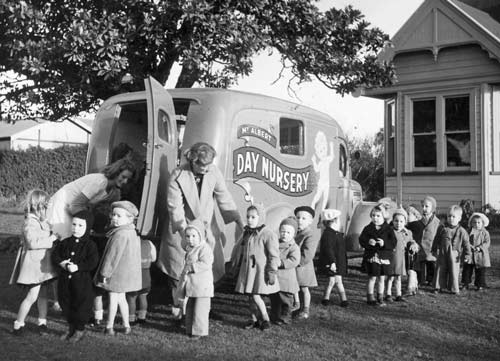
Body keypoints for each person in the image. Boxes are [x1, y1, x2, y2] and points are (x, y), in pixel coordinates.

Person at [157, 142, 243, 318]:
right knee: (179, 271)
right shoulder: (178, 175)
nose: (206, 169)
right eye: (202, 165)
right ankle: (181, 312)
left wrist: (238, 220)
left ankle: (204, 309)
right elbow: (175, 207)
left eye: (209, 165)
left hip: (206, 227)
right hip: (183, 228)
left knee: (208, 268)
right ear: (193, 161)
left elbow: (224, 197)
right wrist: (186, 234)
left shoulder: (214, 171)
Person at [46, 158, 136, 239]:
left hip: (71, 208)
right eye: (123, 177)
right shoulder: (100, 181)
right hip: (61, 206)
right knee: (62, 238)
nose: (125, 181)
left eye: (128, 179)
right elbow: (75, 205)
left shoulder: (113, 191)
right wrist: (88, 226)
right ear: (116, 172)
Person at [10, 189, 59, 335]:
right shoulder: (30, 222)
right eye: (45, 207)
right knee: (32, 296)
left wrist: (53, 233)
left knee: (43, 294)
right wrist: (51, 239)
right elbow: (32, 243)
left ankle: (42, 322)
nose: (46, 209)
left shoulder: (40, 221)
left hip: (42, 264)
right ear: (38, 206)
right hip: (34, 265)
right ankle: (18, 325)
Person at [94, 201, 142, 335]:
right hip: (126, 275)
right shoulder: (132, 232)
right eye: (113, 215)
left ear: (129, 218)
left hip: (116, 275)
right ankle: (126, 325)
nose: (114, 218)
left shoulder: (119, 234)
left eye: (118, 216)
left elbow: (112, 257)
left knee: (113, 299)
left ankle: (109, 326)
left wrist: (105, 273)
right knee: (122, 299)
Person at [52, 210, 99, 342]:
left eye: (80, 226)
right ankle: (70, 327)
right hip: (65, 281)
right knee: (66, 302)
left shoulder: (90, 245)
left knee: (80, 305)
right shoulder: (65, 242)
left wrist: (78, 267)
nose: (76, 228)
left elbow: (93, 261)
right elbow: (55, 255)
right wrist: (62, 264)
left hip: (81, 282)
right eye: (74, 224)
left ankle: (79, 329)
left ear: (88, 227)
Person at [231, 204, 280, 330]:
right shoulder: (247, 233)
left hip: (259, 271)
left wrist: (272, 271)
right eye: (248, 217)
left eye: (253, 217)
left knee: (256, 296)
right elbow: (241, 250)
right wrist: (235, 264)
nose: (249, 220)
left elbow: (274, 255)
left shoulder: (267, 234)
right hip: (248, 270)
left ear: (261, 217)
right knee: (250, 297)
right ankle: (254, 319)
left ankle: (265, 319)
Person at [175, 220, 214, 338]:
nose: (190, 239)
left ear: (200, 236)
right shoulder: (190, 248)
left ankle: (199, 331)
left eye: (193, 236)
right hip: (193, 285)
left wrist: (192, 267)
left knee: (200, 310)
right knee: (190, 307)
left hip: (202, 286)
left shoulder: (204, 248)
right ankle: (189, 328)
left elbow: (206, 263)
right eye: (187, 236)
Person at [359, 205, 396, 306]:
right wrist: (368, 242)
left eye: (378, 216)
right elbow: (361, 240)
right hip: (372, 257)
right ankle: (370, 297)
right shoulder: (367, 228)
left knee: (381, 278)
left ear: (384, 217)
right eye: (373, 215)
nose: (375, 218)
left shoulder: (388, 229)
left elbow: (393, 242)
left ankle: (380, 297)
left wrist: (384, 243)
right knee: (372, 277)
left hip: (384, 257)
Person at [431, 205, 471, 295]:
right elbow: (436, 239)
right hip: (442, 253)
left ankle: (454, 288)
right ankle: (438, 286)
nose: (451, 218)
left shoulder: (462, 231)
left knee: (454, 270)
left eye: (454, 216)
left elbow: (466, 244)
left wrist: (468, 255)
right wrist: (434, 250)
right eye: (449, 216)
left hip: (455, 254)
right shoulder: (441, 228)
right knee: (440, 269)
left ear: (459, 218)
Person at [270, 217, 300, 325]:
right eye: (283, 231)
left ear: (294, 234)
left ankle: (285, 317)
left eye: (288, 232)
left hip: (287, 280)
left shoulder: (294, 247)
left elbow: (294, 260)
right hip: (276, 278)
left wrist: (281, 263)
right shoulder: (276, 243)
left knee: (286, 301)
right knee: (275, 299)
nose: (285, 234)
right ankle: (274, 316)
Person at [407, 196, 440, 288]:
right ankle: (420, 279)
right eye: (423, 206)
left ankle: (431, 280)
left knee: (431, 264)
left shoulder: (437, 222)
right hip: (420, 246)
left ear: (433, 208)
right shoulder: (419, 221)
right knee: (420, 263)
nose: (424, 209)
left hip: (431, 246)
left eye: (427, 206)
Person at [385, 208, 417, 303]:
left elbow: (410, 241)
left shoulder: (407, 233)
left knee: (398, 277)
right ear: (393, 221)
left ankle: (398, 294)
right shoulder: (389, 231)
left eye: (401, 221)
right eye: (396, 221)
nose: (398, 223)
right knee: (390, 277)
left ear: (405, 222)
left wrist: (413, 244)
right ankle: (388, 294)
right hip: (391, 257)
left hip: (401, 259)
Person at [318, 209, 348, 307]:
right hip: (332, 262)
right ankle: (340, 299)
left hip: (338, 261)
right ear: (334, 221)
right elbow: (328, 249)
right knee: (333, 280)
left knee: (336, 280)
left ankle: (327, 298)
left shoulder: (336, 233)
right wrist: (332, 262)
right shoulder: (328, 234)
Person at [294, 206, 318, 319]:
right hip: (294, 266)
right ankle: (296, 306)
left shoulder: (310, 234)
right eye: (298, 217)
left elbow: (308, 254)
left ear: (310, 221)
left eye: (303, 218)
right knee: (295, 288)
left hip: (303, 267)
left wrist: (296, 262)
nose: (299, 220)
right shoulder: (295, 232)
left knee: (304, 288)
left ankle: (305, 310)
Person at [126, 237, 157, 325]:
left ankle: (131, 318)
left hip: (134, 273)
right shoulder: (149, 243)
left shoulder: (130, 243)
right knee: (143, 296)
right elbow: (153, 258)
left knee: (131, 298)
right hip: (146, 273)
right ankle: (142, 317)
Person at [461, 212, 491, 291]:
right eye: (474, 222)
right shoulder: (468, 231)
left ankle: (480, 284)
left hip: (481, 255)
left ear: (482, 223)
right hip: (470, 254)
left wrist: (480, 248)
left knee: (480, 271)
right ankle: (465, 283)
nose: (477, 224)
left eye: (479, 222)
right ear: (471, 223)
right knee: (467, 270)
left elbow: (487, 243)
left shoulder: (485, 233)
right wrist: (469, 247)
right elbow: (465, 240)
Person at [404, 205, 421, 296]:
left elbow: (414, 238)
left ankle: (410, 287)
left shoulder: (415, 225)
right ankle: (414, 285)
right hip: (411, 250)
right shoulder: (410, 225)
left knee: (411, 268)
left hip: (413, 250)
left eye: (408, 214)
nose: (406, 216)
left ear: (415, 215)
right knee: (412, 269)